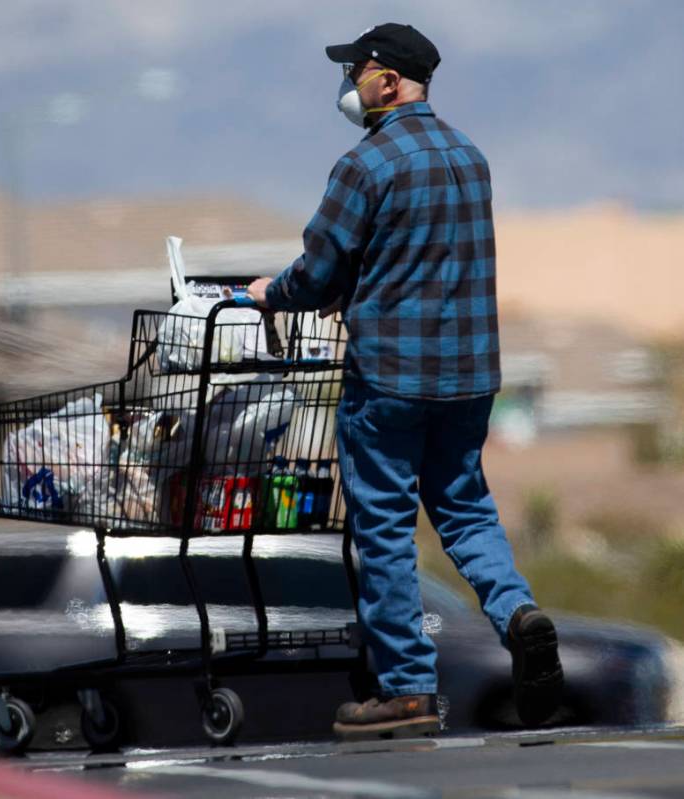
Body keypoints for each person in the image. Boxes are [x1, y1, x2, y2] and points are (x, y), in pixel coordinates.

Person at [247, 23, 563, 740]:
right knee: (465, 508)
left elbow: (321, 270)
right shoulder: (470, 157)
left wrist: (270, 293)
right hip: (471, 377)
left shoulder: (366, 164)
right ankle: (518, 612)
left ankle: (407, 688)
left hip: (390, 378)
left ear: (389, 82)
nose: (347, 85)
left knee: (384, 526)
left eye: (355, 71)